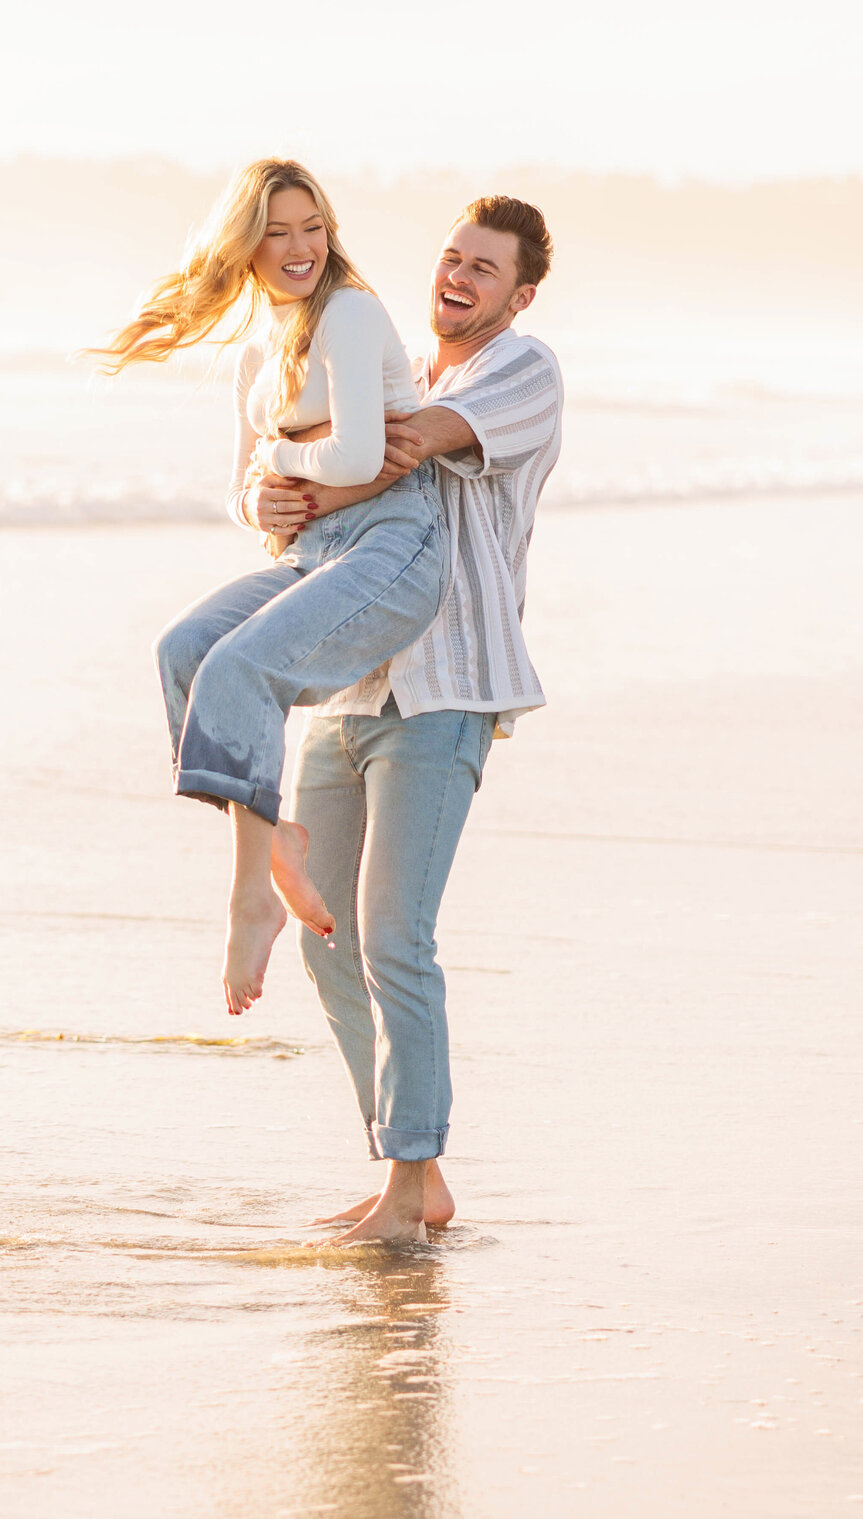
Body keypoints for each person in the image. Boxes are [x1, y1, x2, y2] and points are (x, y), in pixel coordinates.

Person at [245, 195, 563, 1244]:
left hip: (444, 692)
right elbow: (285, 482)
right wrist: (273, 493)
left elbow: (399, 449)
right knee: (325, 936)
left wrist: (298, 471)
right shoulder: (380, 372)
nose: (458, 275)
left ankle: (410, 1178)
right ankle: (407, 1171)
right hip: (346, 689)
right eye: (450, 256)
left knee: (395, 936)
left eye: (485, 267)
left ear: (518, 293)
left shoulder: (520, 370)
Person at [93, 159, 450, 1017]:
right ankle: (274, 842)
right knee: (183, 651)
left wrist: (283, 458)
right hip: (312, 551)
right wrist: (261, 489)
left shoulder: (351, 313)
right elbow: (242, 490)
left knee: (241, 668)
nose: (298, 248)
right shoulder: (263, 347)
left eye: (311, 226)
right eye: (277, 231)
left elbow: (361, 459)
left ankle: (250, 894)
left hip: (393, 543)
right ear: (246, 246)